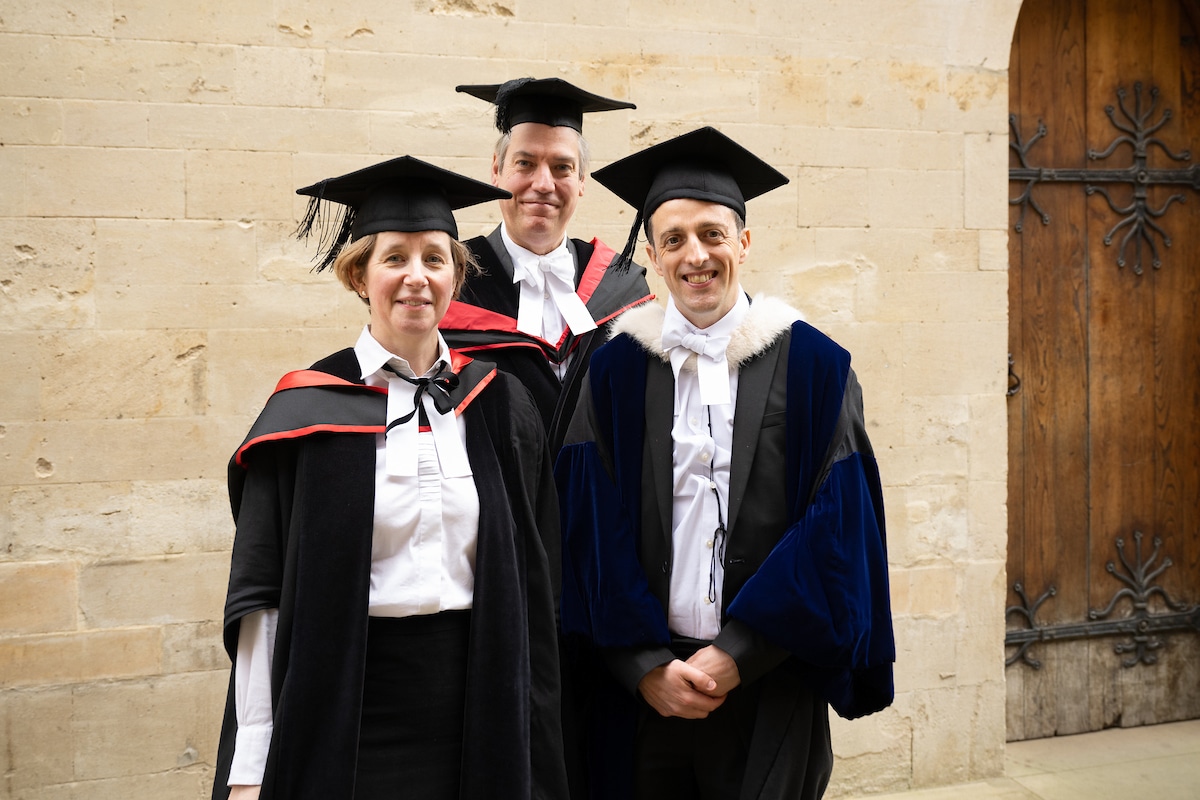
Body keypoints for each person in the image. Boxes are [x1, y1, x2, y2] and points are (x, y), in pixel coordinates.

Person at [211, 156, 568, 800]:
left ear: (457, 276)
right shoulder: (306, 412)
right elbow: (261, 599)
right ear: (359, 276)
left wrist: (541, 729)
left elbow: (539, 583)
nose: (416, 277)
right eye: (394, 258)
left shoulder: (498, 403)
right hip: (347, 706)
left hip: (481, 701)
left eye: (435, 258)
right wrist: (250, 763)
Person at [555, 127, 895, 800]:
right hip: (642, 695)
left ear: (744, 243)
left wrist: (740, 652)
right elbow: (586, 524)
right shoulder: (614, 368)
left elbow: (836, 528)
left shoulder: (815, 366)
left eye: (712, 234)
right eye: (674, 239)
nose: (696, 256)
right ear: (652, 256)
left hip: (771, 682)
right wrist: (643, 664)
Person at [442, 77, 655, 452]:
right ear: (496, 170)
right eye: (525, 163)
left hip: (599, 503)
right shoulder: (452, 284)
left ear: (582, 181)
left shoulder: (622, 286)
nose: (543, 183)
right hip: (497, 503)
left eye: (562, 167)